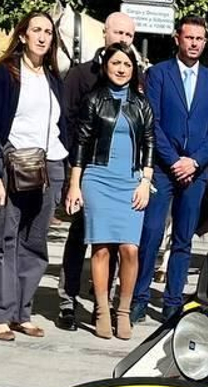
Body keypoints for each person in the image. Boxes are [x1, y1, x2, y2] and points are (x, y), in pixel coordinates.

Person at [0, 11, 69, 341]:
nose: (43, 37)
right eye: (36, 30)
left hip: (50, 166)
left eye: (48, 31)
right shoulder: (6, 73)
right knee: (3, 239)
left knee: (34, 242)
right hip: (14, 164)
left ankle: (22, 312)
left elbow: (61, 126)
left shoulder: (53, 77)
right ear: (22, 35)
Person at [134, 16, 208, 324]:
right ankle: (139, 297)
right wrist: (173, 160)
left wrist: (194, 161)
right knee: (151, 233)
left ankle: (173, 302)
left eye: (200, 38)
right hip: (163, 168)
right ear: (177, 39)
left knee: (184, 239)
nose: (194, 43)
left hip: (195, 172)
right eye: (189, 37)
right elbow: (153, 122)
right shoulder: (158, 74)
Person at [65, 43, 155, 340]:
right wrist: (74, 185)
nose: (121, 69)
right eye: (116, 63)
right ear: (106, 67)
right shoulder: (94, 99)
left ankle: (123, 311)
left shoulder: (141, 104)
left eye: (127, 65)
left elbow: (150, 143)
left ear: (134, 69)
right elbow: (81, 143)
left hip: (131, 181)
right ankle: (102, 310)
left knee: (130, 249)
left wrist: (145, 181)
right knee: (101, 248)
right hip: (97, 179)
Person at [56, 11, 137, 330]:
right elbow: (65, 121)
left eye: (128, 35)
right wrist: (73, 171)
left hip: (119, 175)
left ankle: (103, 303)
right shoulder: (80, 75)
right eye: (118, 33)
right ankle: (68, 299)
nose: (122, 39)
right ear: (105, 33)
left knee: (114, 242)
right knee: (79, 236)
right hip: (86, 172)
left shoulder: (133, 77)